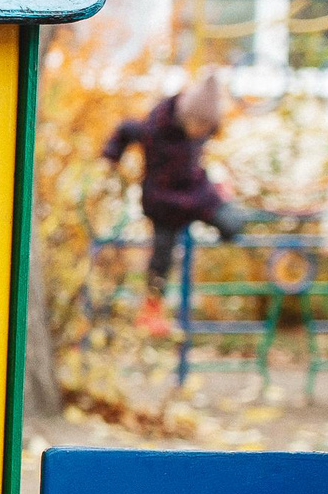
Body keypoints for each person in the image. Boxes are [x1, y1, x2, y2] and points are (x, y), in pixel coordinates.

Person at [102, 72, 246, 337]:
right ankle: (151, 310)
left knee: (233, 222)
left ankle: (217, 276)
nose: (201, 132)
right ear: (185, 117)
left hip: (196, 193)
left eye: (206, 127)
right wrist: (111, 159)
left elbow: (216, 128)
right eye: (198, 125)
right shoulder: (155, 128)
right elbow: (124, 130)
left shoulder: (205, 126)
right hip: (164, 199)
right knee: (162, 256)